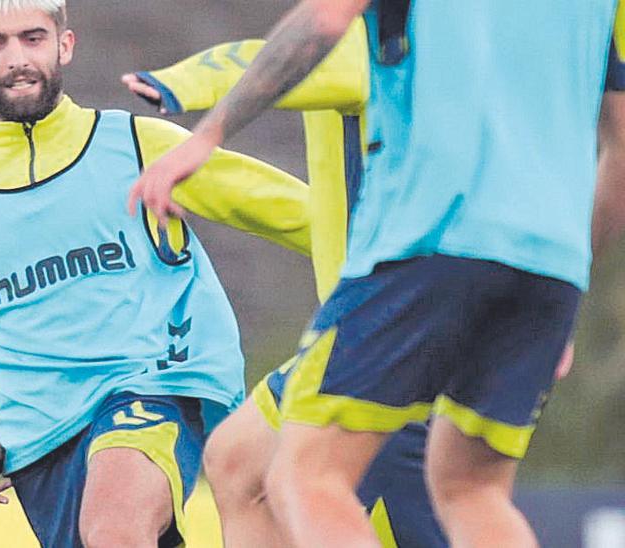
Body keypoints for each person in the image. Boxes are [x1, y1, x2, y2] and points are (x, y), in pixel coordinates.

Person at [128, 1, 625, 546]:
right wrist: (568, 282)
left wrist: (206, 133)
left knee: (306, 475)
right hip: (549, 263)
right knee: (471, 490)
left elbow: (322, 22)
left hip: (429, 239)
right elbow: (621, 144)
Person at [0, 1, 315, 545]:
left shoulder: (136, 143)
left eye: (32, 38)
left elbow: (294, 212)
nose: (16, 58)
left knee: (113, 530)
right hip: (38, 438)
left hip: (153, 385)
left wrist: (401, 267)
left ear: (65, 45)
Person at [121, 21, 445, 547]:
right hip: (360, 326)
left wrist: (184, 83)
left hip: (400, 327)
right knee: (237, 459)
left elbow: (306, 57)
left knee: (422, 511)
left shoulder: (380, 38)